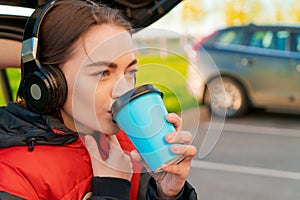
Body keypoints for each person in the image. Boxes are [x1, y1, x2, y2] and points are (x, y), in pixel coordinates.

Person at [0, 0, 198, 199]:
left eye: (130, 72)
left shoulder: (128, 144)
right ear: (49, 83)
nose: (124, 90)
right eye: (103, 73)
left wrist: (167, 193)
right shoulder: (11, 174)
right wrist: (112, 190)